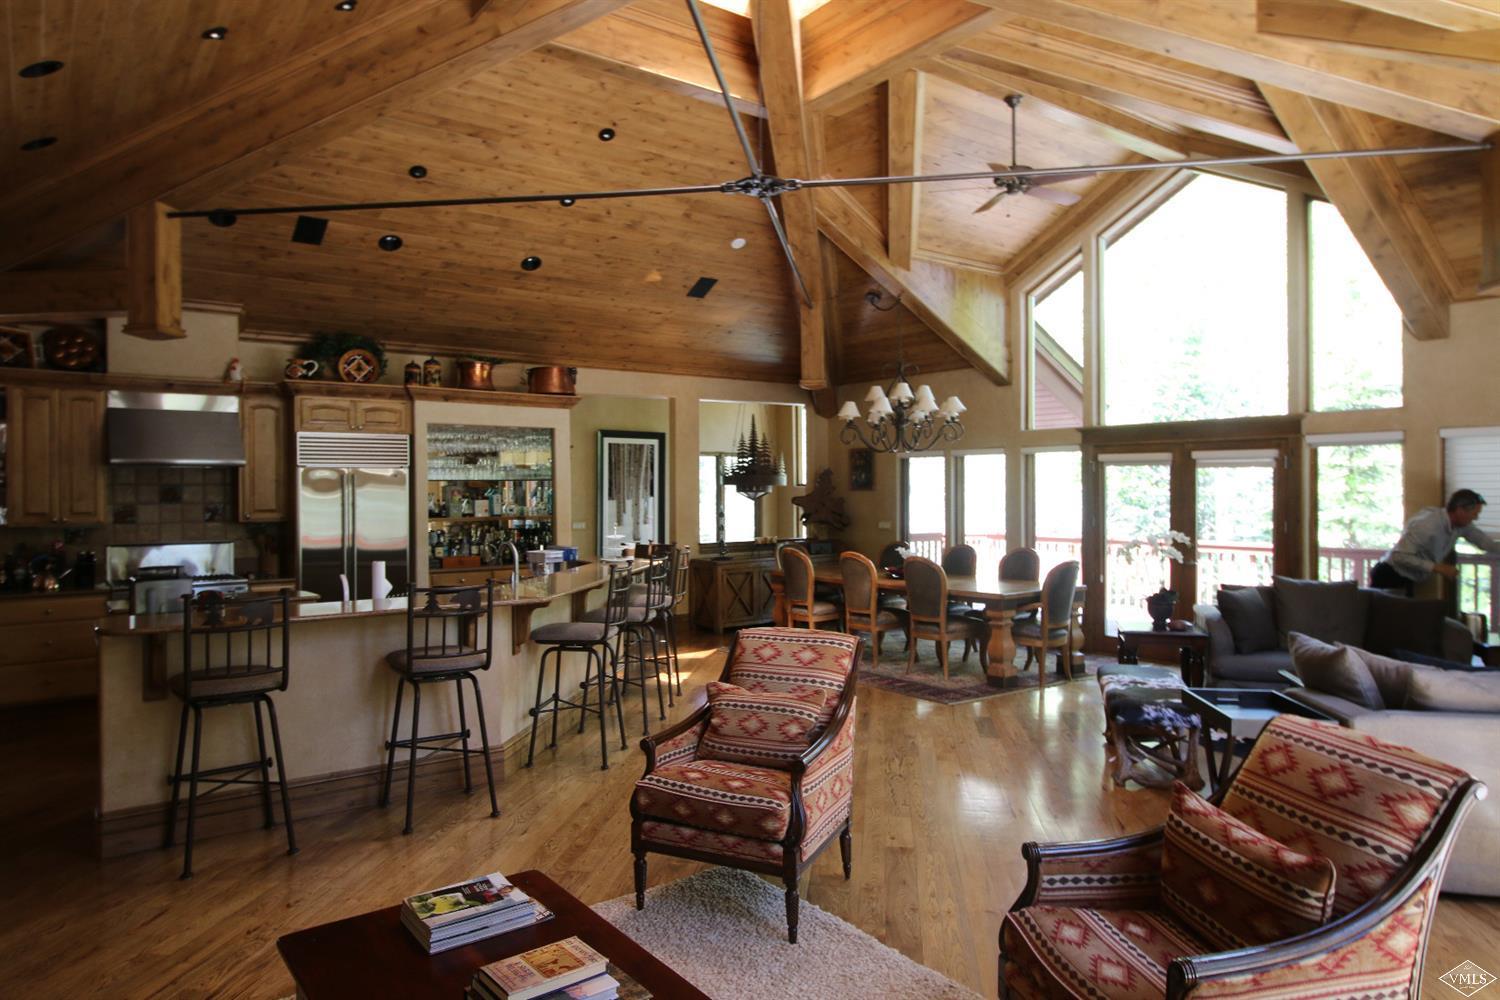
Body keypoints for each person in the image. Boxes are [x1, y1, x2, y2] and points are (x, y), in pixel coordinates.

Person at [1370, 489, 1500, 594]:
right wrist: (1438, 568)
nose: (1476, 518)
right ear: (1460, 510)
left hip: (1407, 578)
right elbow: (1399, 556)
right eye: (1474, 513)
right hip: (1388, 575)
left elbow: (1483, 540)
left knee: (1402, 622)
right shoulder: (1428, 525)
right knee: (1386, 622)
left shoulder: (1462, 526)